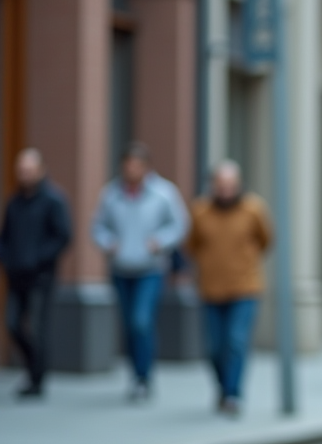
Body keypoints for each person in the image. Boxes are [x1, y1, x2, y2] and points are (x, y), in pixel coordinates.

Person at [91, 143, 189, 400]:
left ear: (146, 168)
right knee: (129, 325)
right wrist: (108, 243)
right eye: (127, 165)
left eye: (136, 165)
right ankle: (135, 374)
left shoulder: (164, 193)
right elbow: (98, 227)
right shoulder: (111, 194)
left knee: (141, 321)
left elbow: (179, 225)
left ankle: (144, 376)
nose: (131, 170)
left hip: (151, 269)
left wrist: (160, 241)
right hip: (122, 268)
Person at [185, 161, 272, 415]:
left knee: (235, 340)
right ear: (212, 185)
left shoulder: (253, 209)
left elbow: (265, 240)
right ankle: (223, 387)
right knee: (214, 347)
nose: (225, 191)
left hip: (245, 287)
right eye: (220, 185)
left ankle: (233, 394)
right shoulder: (200, 211)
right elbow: (192, 245)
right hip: (210, 288)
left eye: (230, 185)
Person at [0, 149, 72, 399]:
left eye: (29, 170)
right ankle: (32, 366)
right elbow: (5, 236)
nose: (24, 175)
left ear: (41, 170)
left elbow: (63, 236)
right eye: (21, 171)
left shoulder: (53, 200)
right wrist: (7, 258)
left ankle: (37, 379)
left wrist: (39, 259)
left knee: (38, 329)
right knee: (12, 324)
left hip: (41, 276)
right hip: (16, 275)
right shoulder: (14, 201)